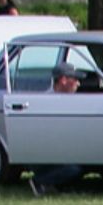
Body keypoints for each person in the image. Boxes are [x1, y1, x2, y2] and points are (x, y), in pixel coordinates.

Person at [31, 64, 87, 196]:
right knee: (76, 167)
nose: (78, 83)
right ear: (63, 80)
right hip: (43, 156)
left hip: (58, 151)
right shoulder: (47, 103)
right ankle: (40, 182)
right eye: (75, 79)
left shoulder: (67, 101)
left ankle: (62, 186)